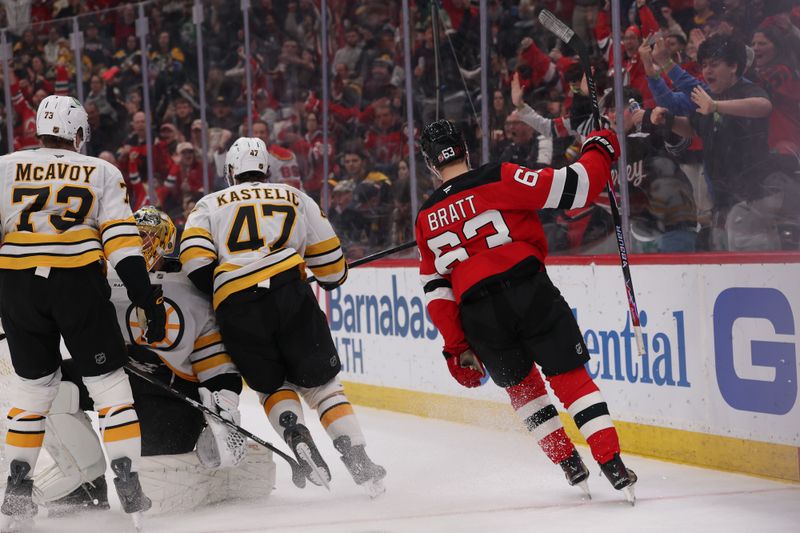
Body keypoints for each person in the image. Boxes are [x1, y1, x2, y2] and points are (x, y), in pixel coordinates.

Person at [414, 119, 637, 502]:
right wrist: (600, 146)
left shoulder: (425, 217)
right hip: (527, 288)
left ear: (431, 164)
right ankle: (611, 462)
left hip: (478, 313)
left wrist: (456, 345)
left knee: (523, 389)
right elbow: (577, 187)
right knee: (570, 378)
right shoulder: (498, 176)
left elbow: (437, 288)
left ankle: (568, 464)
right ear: (465, 149)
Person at [24, 206, 275, 516]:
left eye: (148, 237)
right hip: (114, 380)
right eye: (133, 237)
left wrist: (225, 417)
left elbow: (216, 365)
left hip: (169, 398)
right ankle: (84, 484)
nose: (140, 244)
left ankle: (224, 475)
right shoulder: (101, 279)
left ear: (167, 242)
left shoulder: (189, 291)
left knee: (156, 487)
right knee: (49, 384)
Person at [179, 137, 386, 496]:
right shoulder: (295, 197)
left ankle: (294, 431)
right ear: (267, 169)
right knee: (322, 387)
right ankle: (356, 454)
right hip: (290, 289)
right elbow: (334, 272)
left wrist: (227, 290)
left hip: (236, 303)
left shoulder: (208, 203)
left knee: (272, 386)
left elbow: (194, 263)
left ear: (230, 171)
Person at [0, 95, 166, 530]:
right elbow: (124, 245)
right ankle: (127, 477)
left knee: (32, 392)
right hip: (77, 280)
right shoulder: (101, 171)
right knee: (110, 386)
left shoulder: (3, 166)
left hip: (17, 284)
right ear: (77, 133)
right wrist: (146, 299)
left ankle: (18, 484)